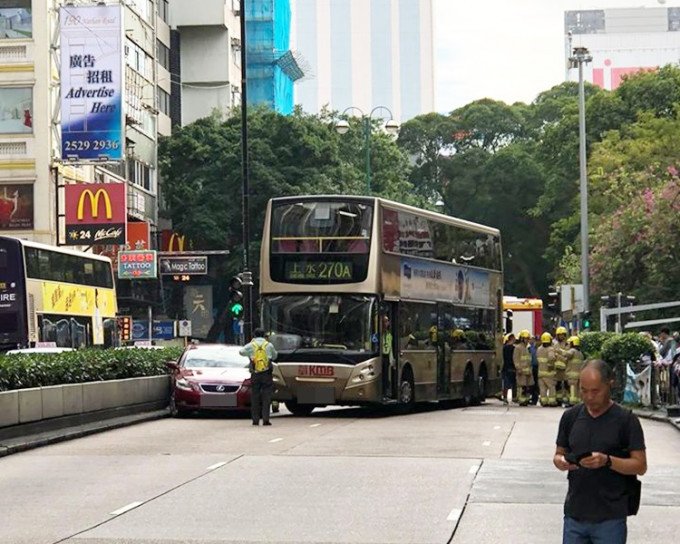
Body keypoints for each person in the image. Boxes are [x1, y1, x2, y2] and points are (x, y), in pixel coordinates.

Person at [554, 360, 647, 544]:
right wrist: (561, 461)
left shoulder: (626, 420)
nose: (589, 397)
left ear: (609, 384)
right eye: (584, 390)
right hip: (575, 515)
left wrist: (607, 461)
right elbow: (558, 453)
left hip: (610, 517)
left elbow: (640, 465)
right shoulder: (571, 417)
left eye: (595, 391)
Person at [240, 328, 278, 426]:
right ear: (264, 335)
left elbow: (241, 352)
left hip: (255, 374)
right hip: (266, 374)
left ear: (254, 335)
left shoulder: (251, 345)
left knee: (255, 397)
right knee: (266, 397)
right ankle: (266, 419)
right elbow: (275, 356)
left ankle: (255, 420)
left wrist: (250, 354)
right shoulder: (268, 345)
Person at [536, 332, 557, 407]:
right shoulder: (550, 349)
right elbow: (551, 358)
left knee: (542, 388)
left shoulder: (539, 349)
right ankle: (552, 401)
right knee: (551, 387)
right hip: (549, 373)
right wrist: (551, 365)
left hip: (540, 372)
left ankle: (544, 401)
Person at [513, 329, 533, 406]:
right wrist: (518, 368)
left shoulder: (526, 348)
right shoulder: (518, 348)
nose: (527, 340)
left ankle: (526, 399)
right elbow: (516, 359)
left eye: (528, 338)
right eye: (526, 338)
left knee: (527, 387)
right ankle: (521, 400)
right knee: (522, 387)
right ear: (522, 338)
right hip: (521, 371)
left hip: (527, 371)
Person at [564, 336, 584, 406]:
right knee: (578, 389)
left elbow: (567, 354)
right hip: (579, 374)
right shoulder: (580, 353)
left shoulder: (572, 351)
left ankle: (572, 401)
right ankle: (578, 401)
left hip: (572, 374)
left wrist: (559, 351)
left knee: (572, 387)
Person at [381, 315, 395, 400]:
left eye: (387, 321)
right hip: (380, 356)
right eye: (385, 321)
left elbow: (390, 348)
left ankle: (386, 392)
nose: (387, 323)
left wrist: (391, 358)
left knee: (386, 375)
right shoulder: (379, 333)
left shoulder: (389, 334)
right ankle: (383, 392)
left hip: (386, 356)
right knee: (382, 375)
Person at [501, 333, 516, 404]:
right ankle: (514, 398)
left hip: (505, 367)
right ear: (512, 339)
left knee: (506, 385)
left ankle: (505, 398)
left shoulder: (504, 348)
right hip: (512, 368)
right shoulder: (514, 348)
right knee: (513, 384)